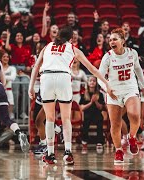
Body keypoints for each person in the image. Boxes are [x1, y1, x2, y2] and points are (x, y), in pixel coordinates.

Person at [28, 26, 116, 165]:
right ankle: (68, 152)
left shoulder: (47, 47)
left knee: (50, 119)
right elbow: (92, 68)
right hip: (63, 78)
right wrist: (106, 82)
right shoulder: (73, 49)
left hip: (47, 78)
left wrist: (31, 86)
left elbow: (36, 67)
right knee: (66, 118)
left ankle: (50, 154)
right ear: (70, 39)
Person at [98, 28, 144, 164]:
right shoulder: (108, 56)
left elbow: (138, 69)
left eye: (115, 39)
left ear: (122, 41)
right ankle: (119, 150)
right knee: (115, 124)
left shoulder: (132, 53)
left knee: (134, 115)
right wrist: (106, 87)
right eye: (110, 40)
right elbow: (99, 78)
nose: (111, 42)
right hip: (113, 91)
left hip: (130, 88)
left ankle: (132, 137)